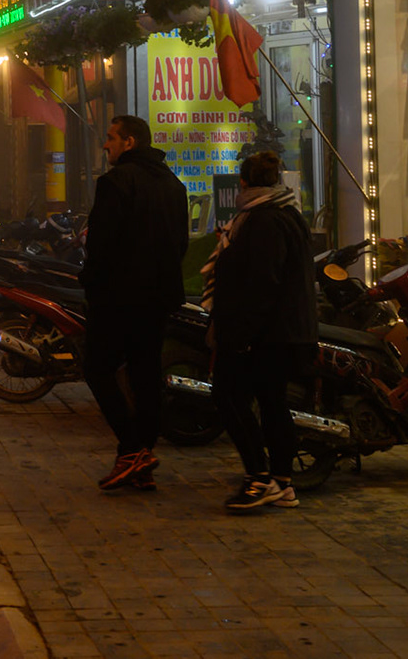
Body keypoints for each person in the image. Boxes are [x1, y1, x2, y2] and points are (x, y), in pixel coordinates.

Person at [80, 114, 190, 492]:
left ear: (129, 143)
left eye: (111, 138)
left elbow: (100, 246)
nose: (105, 145)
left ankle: (131, 450)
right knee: (145, 377)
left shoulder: (115, 182)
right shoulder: (174, 185)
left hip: (117, 298)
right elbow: (180, 245)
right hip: (157, 300)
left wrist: (91, 284)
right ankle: (143, 459)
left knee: (97, 368)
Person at [206, 151, 318, 512]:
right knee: (272, 403)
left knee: (229, 396)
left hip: (264, 334)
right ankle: (282, 483)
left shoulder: (262, 220)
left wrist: (241, 335)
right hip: (284, 332)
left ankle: (259, 476)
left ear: (243, 183)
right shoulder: (287, 213)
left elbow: (261, 282)